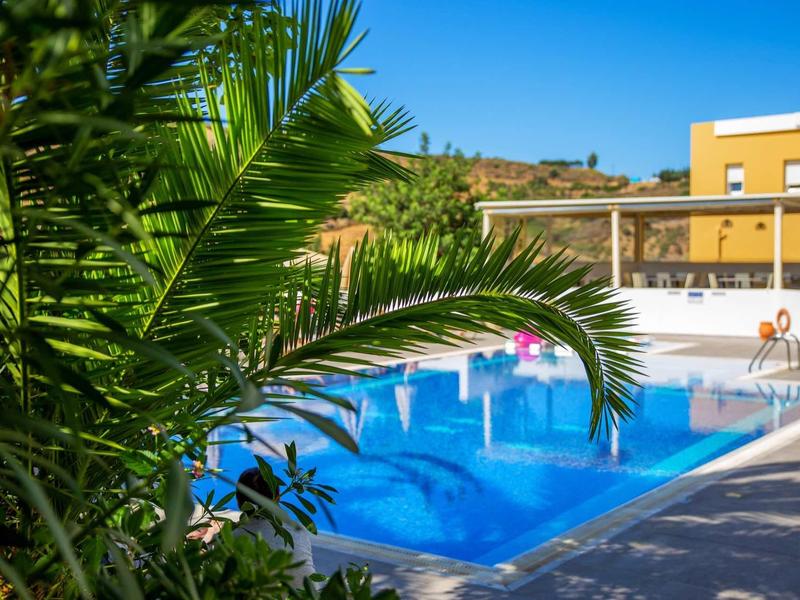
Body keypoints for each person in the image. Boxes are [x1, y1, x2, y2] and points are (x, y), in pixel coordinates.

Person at [234, 467, 316, 587]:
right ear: (278, 497)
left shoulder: (233, 537)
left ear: (240, 501)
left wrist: (214, 537)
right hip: (308, 593)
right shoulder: (298, 529)